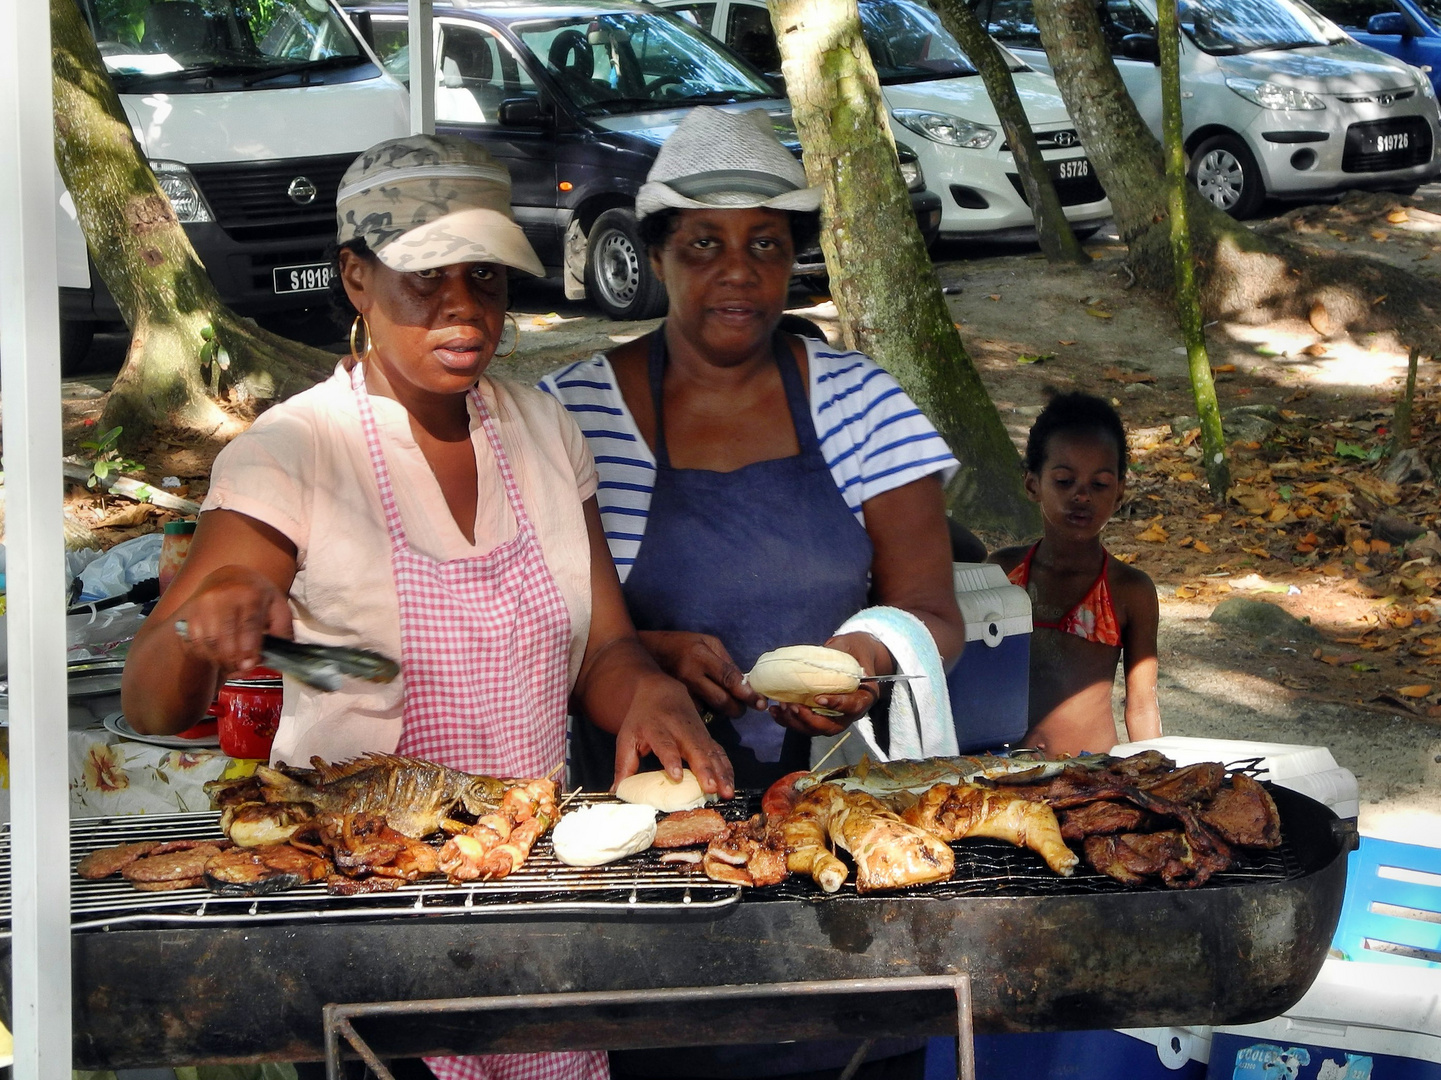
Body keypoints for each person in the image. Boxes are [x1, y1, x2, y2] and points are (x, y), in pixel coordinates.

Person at [122, 134, 735, 1080]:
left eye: (484, 276)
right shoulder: (296, 451)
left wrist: (645, 691)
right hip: (363, 905)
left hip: (526, 882)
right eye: (424, 275)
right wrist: (211, 617)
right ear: (356, 278)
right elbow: (151, 704)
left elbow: (603, 648)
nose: (462, 307)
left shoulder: (541, 428)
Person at [541, 107, 966, 1080]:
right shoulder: (573, 413)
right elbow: (534, 622)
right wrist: (644, 651)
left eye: (764, 244)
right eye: (703, 244)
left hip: (834, 838)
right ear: (655, 256)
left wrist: (861, 659)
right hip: (647, 849)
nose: (737, 270)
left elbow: (932, 612)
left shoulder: (862, 404)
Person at [989, 392, 1161, 758]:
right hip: (1003, 773)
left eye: (1099, 484)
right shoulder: (1002, 573)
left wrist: (1156, 780)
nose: (1082, 496)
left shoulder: (1130, 590)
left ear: (1119, 492)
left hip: (1094, 779)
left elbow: (1142, 707)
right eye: (1065, 481)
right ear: (1032, 483)